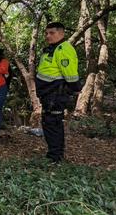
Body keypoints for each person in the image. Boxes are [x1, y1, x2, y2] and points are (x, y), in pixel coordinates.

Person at [35, 22, 80, 163]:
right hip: (49, 95)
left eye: (52, 33)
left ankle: (55, 158)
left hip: (55, 95)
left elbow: (71, 76)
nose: (48, 36)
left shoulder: (63, 49)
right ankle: (55, 155)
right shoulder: (52, 49)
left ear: (61, 33)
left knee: (52, 123)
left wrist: (72, 90)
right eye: (46, 33)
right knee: (50, 123)